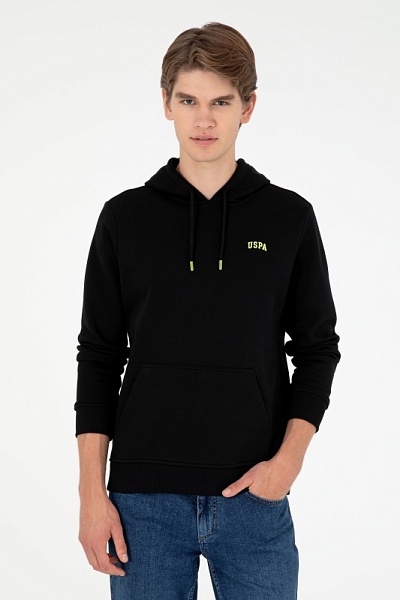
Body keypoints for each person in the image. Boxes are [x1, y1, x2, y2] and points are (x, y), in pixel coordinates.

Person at [75, 22, 340, 600]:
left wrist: (286, 465)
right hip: (142, 505)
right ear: (166, 103)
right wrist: (91, 495)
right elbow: (98, 356)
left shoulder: (289, 218)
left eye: (221, 102)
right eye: (189, 101)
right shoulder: (124, 219)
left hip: (254, 498)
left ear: (248, 107)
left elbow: (318, 350)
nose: (204, 120)